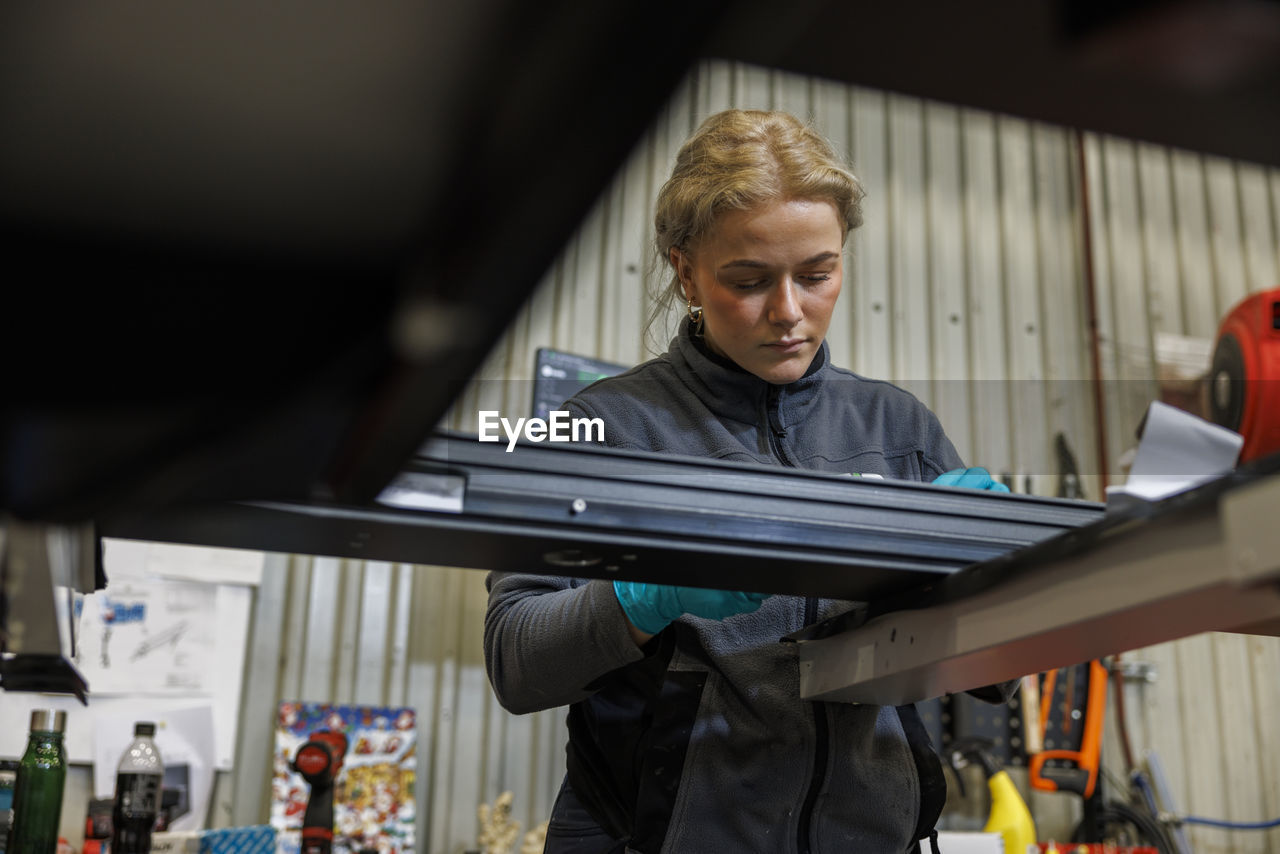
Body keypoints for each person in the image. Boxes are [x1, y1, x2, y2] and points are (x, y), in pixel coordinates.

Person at [484, 109, 1010, 854]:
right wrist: (648, 594)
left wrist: (999, 580)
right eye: (749, 280)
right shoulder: (603, 427)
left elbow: (987, 678)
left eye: (818, 274)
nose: (790, 313)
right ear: (684, 269)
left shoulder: (898, 430)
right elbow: (516, 660)